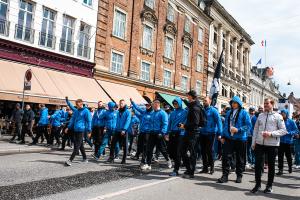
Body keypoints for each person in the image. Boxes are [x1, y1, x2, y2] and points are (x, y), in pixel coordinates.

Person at [251, 98, 287, 194]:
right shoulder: (260, 116)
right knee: (258, 165)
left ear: (272, 104)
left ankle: (269, 186)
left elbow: (284, 131)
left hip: (272, 145)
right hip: (260, 144)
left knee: (271, 166)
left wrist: (271, 134)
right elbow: (255, 130)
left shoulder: (278, 116)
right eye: (264, 103)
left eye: (267, 103)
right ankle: (257, 184)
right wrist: (253, 142)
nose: (265, 105)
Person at [217, 96, 251, 184]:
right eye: (232, 102)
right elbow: (225, 125)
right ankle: (225, 176)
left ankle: (239, 175)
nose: (233, 104)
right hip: (229, 138)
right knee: (226, 157)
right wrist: (223, 136)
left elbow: (248, 126)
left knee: (240, 158)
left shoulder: (244, 113)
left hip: (240, 139)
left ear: (239, 104)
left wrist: (238, 129)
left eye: (235, 103)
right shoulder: (228, 113)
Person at [180, 90, 205, 178]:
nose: (187, 97)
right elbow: (189, 104)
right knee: (182, 150)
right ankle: (188, 169)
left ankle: (191, 173)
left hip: (193, 133)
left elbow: (196, 122)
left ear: (191, 96)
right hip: (189, 132)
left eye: (188, 96)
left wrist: (184, 126)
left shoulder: (195, 108)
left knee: (192, 153)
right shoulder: (193, 105)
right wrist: (183, 100)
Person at [142, 99, 171, 171]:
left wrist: (162, 132)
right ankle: (148, 164)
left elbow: (165, 123)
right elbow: (150, 123)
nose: (152, 105)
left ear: (157, 104)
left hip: (159, 133)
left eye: (153, 104)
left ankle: (168, 160)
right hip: (152, 133)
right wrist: (149, 129)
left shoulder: (163, 113)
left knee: (162, 149)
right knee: (149, 149)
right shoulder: (152, 113)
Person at [65, 99, 92, 166]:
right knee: (80, 145)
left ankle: (70, 160)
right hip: (75, 130)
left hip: (81, 130)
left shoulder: (86, 111)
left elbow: (89, 121)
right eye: (76, 105)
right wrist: (68, 127)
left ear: (81, 104)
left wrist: (89, 130)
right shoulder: (76, 111)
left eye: (77, 105)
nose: (76, 106)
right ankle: (85, 158)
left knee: (76, 146)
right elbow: (72, 120)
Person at [199, 97, 222, 175]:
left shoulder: (214, 111)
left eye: (205, 101)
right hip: (202, 133)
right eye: (203, 101)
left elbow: (219, 122)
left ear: (210, 101)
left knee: (210, 151)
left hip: (211, 133)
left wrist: (220, 133)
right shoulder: (202, 110)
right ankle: (205, 168)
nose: (204, 102)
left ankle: (212, 167)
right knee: (203, 151)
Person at [168, 97, 188, 176]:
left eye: (176, 103)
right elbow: (169, 123)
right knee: (171, 151)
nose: (175, 105)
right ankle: (187, 166)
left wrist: (184, 100)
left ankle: (176, 170)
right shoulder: (172, 113)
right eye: (174, 103)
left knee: (178, 152)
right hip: (172, 133)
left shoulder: (185, 112)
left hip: (181, 134)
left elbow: (191, 108)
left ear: (180, 103)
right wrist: (167, 132)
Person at [107, 99, 131, 164]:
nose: (121, 104)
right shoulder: (118, 111)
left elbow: (128, 121)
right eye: (120, 103)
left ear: (125, 104)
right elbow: (116, 121)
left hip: (124, 131)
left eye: (122, 103)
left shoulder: (127, 112)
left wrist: (124, 129)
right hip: (117, 130)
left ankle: (124, 159)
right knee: (113, 144)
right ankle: (111, 158)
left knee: (124, 146)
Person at [276, 109, 298, 175]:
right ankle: (280, 170)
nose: (282, 114)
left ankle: (290, 167)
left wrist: (289, 133)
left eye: (283, 113)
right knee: (280, 156)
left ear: (286, 114)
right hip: (280, 141)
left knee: (288, 156)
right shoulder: (279, 121)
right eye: (281, 113)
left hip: (288, 142)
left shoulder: (291, 121)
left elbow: (296, 130)